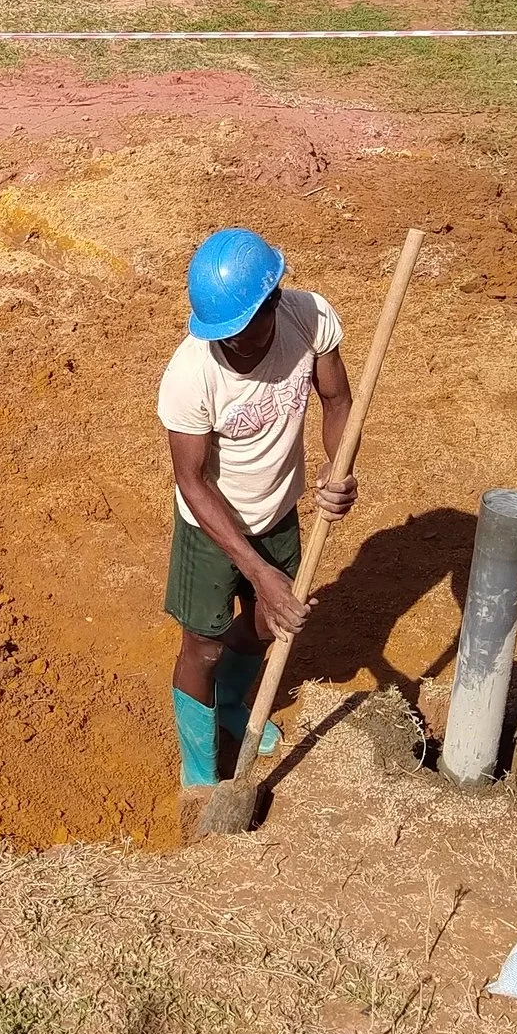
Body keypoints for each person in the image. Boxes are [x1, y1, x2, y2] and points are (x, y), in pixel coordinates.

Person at [157, 227, 356, 832]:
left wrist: (336, 467)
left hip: (281, 510)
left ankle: (233, 711)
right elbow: (193, 481)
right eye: (221, 337)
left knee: (269, 622)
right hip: (211, 524)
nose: (232, 349)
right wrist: (259, 571)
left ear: (274, 303)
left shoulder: (309, 319)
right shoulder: (192, 374)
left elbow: (340, 401)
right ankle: (198, 771)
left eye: (242, 334)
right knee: (205, 644)